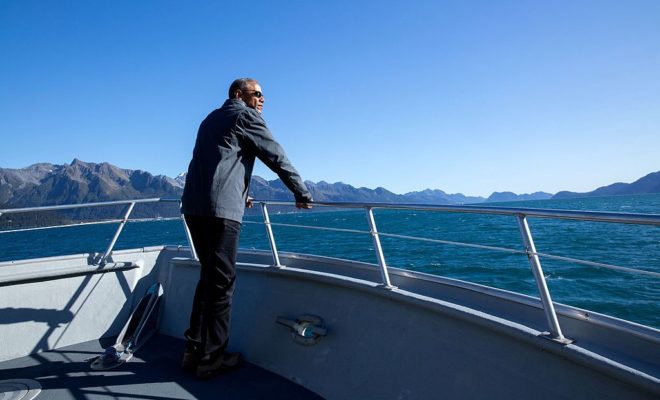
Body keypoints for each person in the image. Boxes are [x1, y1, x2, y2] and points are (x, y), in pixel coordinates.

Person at [180, 78, 313, 379]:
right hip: (219, 214)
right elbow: (274, 154)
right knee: (223, 285)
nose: (263, 99)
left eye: (264, 95)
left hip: (194, 208)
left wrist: (241, 193)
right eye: (258, 94)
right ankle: (212, 357)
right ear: (239, 95)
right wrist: (300, 191)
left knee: (208, 278)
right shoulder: (245, 115)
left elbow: (213, 163)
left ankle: (192, 350)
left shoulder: (210, 119)